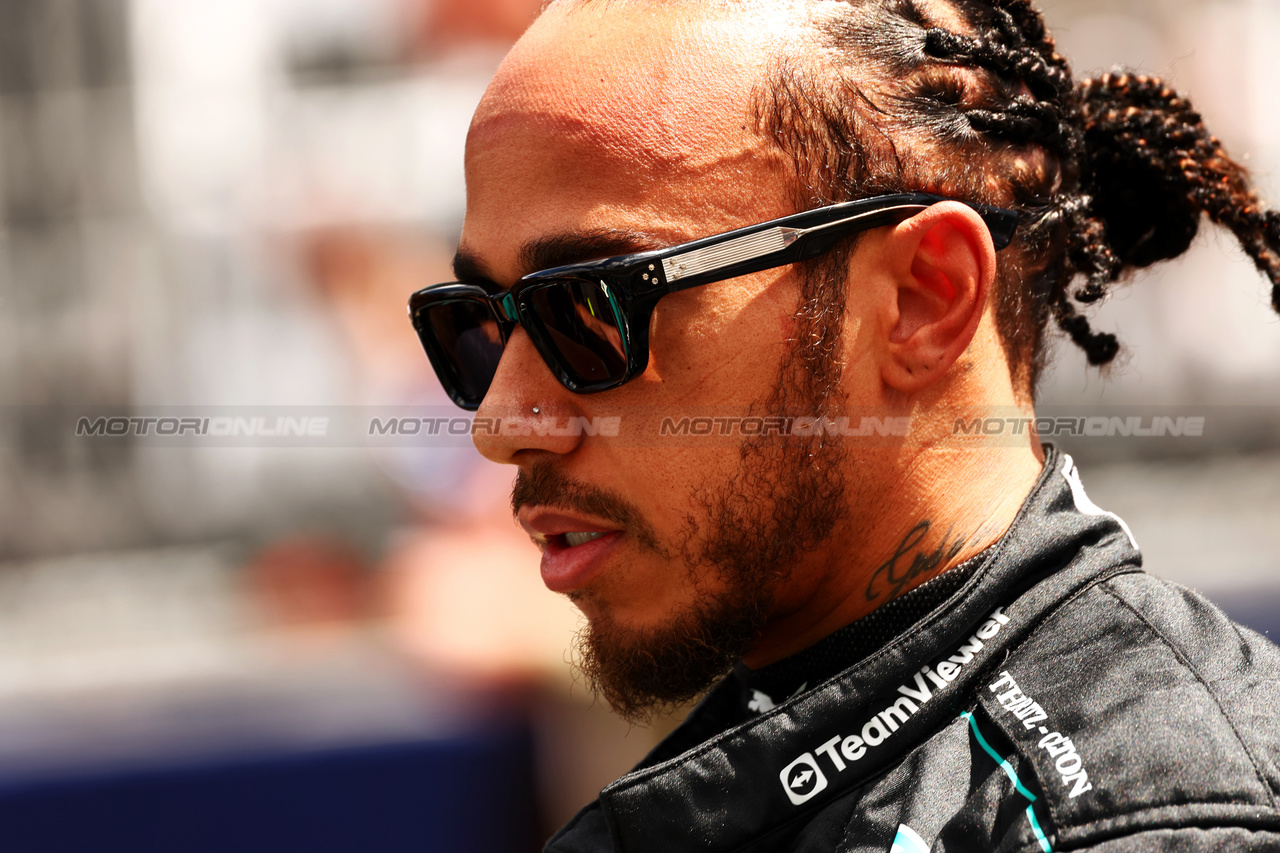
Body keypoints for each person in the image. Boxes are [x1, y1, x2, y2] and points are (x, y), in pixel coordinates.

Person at [407, 0, 1280, 849]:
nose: (501, 423)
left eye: (589, 310)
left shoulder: (1150, 815)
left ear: (922, 300)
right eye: (474, 325)